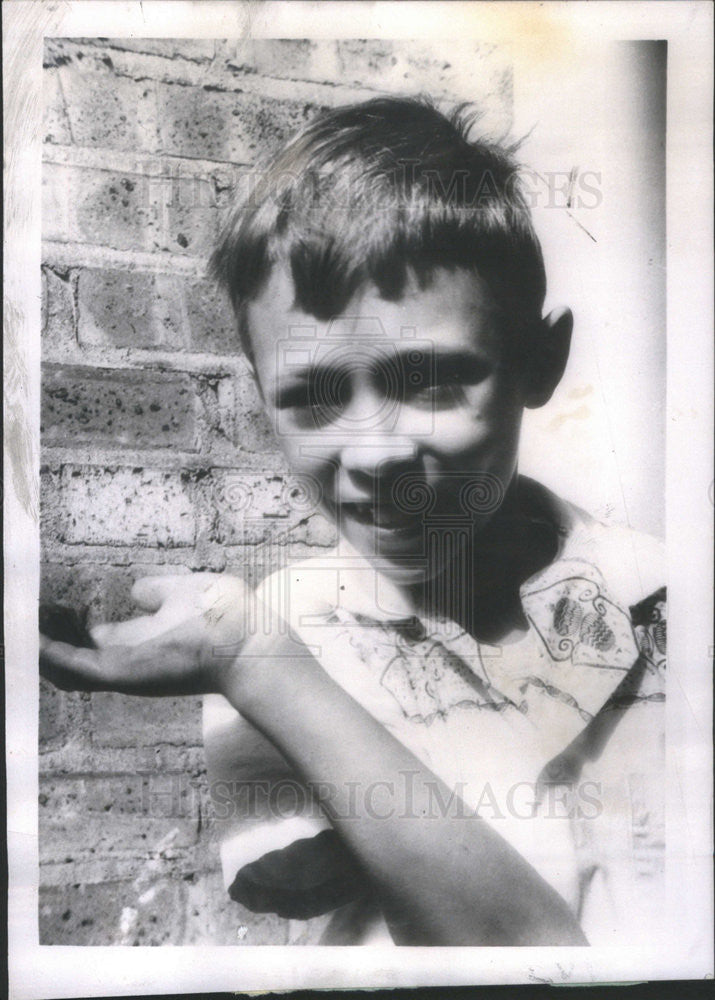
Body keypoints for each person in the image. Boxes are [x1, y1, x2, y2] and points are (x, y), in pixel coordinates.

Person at [40, 97, 666, 947]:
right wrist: (256, 662)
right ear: (261, 398)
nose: (372, 455)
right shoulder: (281, 632)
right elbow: (319, 897)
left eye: (431, 380)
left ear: (539, 363)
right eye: (314, 396)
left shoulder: (669, 601)